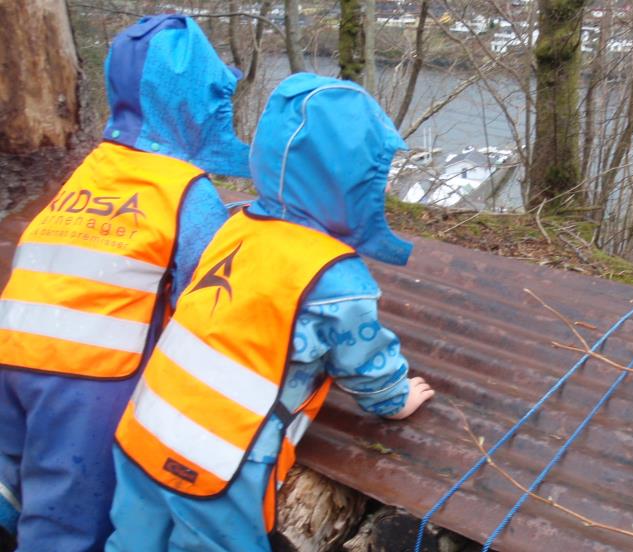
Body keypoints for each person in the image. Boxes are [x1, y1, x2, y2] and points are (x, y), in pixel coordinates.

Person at [106, 73, 435, 552]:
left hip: (145, 422)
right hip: (220, 456)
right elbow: (363, 355)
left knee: (132, 541)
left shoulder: (235, 225)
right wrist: (393, 397)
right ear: (355, 182)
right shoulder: (335, 278)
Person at [0, 13, 249, 551]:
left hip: (13, 348)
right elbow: (206, 296)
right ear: (192, 103)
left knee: (13, 488)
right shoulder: (185, 190)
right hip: (89, 376)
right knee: (70, 520)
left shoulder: (92, 170)